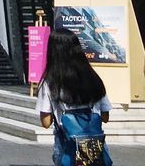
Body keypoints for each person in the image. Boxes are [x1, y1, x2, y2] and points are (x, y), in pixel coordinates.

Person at [37, 29, 112, 165]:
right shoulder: (93, 78)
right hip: (95, 150)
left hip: (67, 147)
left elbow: (46, 122)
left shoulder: (50, 82)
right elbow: (105, 117)